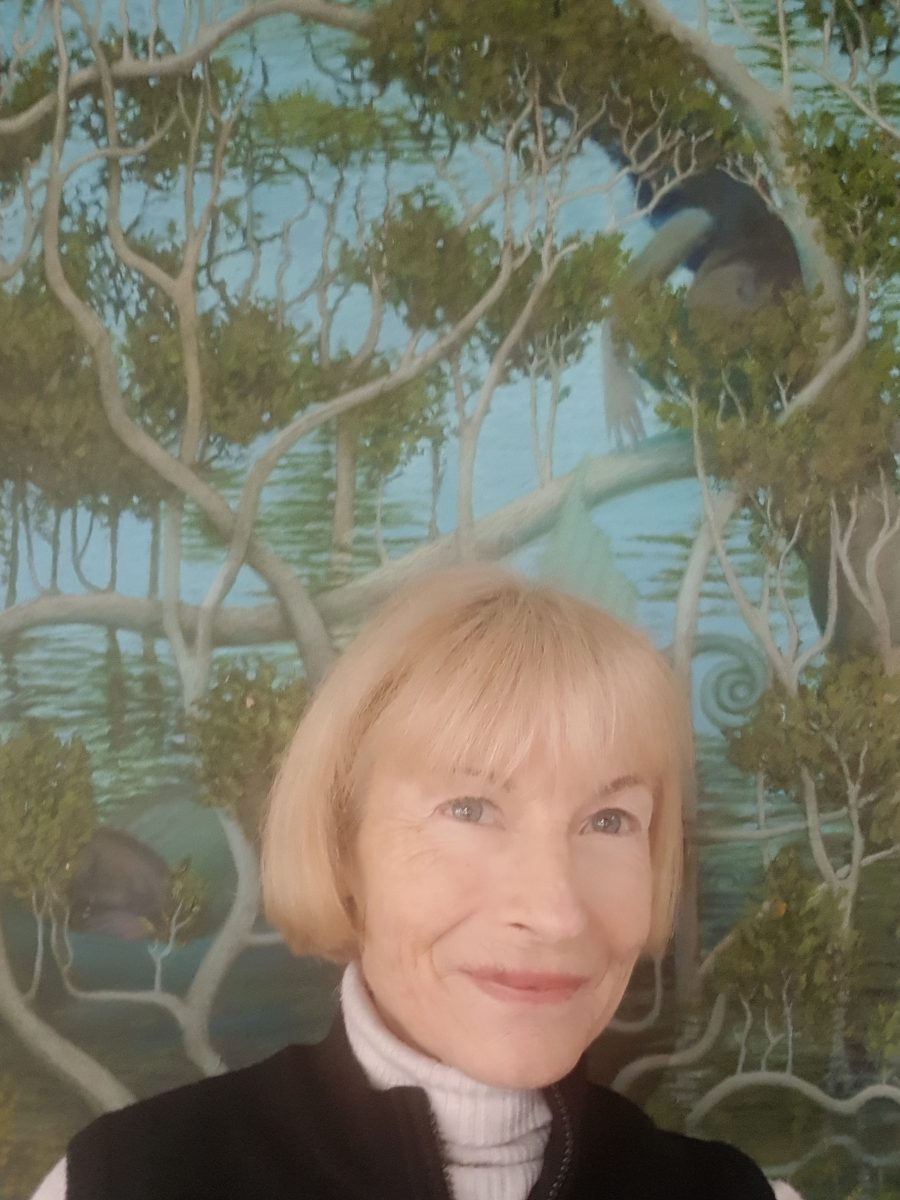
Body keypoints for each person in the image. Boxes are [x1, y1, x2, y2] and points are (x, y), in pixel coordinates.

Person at [32, 564, 803, 1199]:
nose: (555, 912)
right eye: (470, 808)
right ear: (343, 849)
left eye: (609, 821)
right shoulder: (120, 1182)